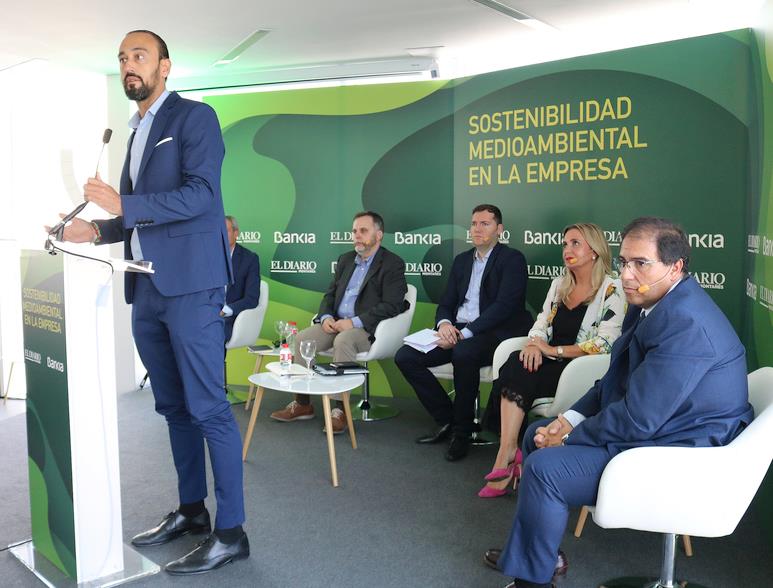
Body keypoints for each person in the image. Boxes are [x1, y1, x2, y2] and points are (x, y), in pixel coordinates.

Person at [53, 30, 249, 575]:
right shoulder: (138, 130)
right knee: (173, 408)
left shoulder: (194, 117)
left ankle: (232, 532)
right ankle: (192, 512)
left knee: (209, 408)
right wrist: (95, 231)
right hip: (147, 289)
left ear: (165, 66)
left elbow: (202, 196)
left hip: (192, 287)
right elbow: (142, 214)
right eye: (121, 58)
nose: (128, 64)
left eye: (139, 56)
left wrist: (125, 203)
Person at [487, 217, 754, 588]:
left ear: (675, 267)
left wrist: (566, 439)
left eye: (640, 264)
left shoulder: (686, 323)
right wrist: (567, 419)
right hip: (658, 427)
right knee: (536, 433)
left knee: (546, 468)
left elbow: (639, 420)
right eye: (624, 262)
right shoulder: (651, 301)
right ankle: (540, 555)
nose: (627, 275)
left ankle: (533, 577)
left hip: (681, 453)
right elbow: (614, 380)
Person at [479, 223, 624, 498]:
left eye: (575, 243)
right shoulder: (560, 283)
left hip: (577, 368)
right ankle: (507, 451)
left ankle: (506, 455)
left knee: (517, 369)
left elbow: (605, 342)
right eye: (565, 244)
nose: (567, 250)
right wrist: (534, 344)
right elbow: (540, 323)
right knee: (516, 360)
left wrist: (552, 351)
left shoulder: (612, 288)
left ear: (594, 251)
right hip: (547, 361)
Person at [395, 204, 532, 462]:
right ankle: (448, 419)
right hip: (457, 330)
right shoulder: (461, 261)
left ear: (499, 229)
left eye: (485, 224)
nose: (477, 229)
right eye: (474, 224)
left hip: (493, 332)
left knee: (463, 352)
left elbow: (505, 306)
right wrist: (445, 325)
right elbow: (447, 301)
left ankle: (462, 431)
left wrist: (464, 334)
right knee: (406, 356)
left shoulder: (512, 259)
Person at [269, 211, 408, 433]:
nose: (357, 236)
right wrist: (325, 317)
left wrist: (354, 322)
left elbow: (392, 305)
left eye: (363, 231)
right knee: (303, 338)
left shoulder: (392, 264)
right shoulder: (345, 260)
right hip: (335, 323)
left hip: (365, 328)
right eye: (354, 231)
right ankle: (303, 404)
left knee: (343, 340)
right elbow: (330, 296)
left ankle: (339, 410)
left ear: (379, 235)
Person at [222, 215, 261, 344]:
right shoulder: (207, 257)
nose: (221, 234)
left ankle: (215, 365)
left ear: (236, 233)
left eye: (225, 230)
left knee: (211, 334)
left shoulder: (249, 259)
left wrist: (226, 310)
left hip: (230, 318)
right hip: (206, 314)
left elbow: (252, 299)